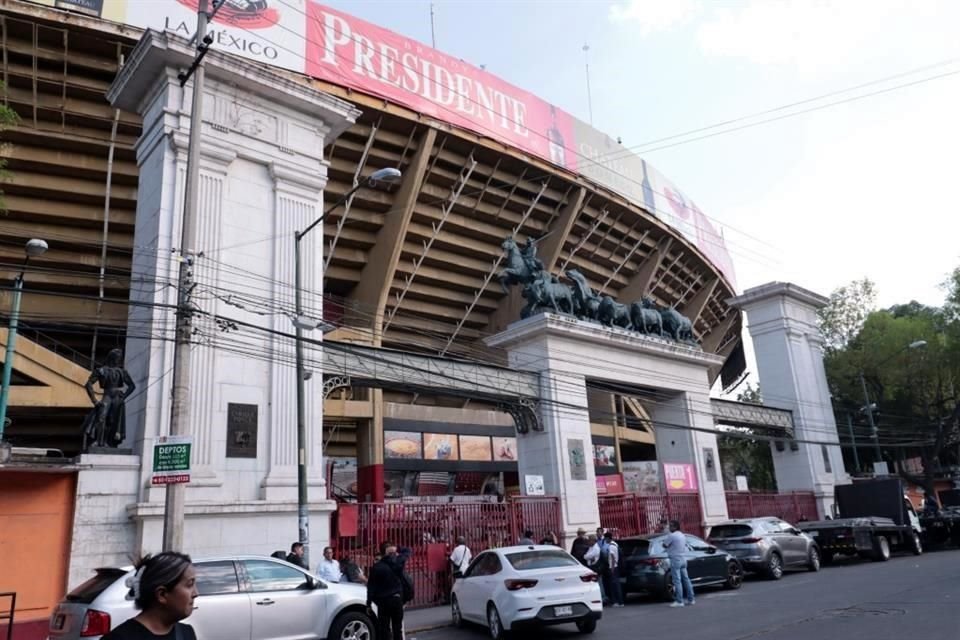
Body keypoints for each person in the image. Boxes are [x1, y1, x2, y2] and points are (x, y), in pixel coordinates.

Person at [102, 552, 198, 640]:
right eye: (189, 584)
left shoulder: (186, 633)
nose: (196, 593)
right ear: (162, 594)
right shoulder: (118, 638)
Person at [367, 541, 412, 640]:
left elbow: (371, 587)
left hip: (383, 601)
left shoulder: (377, 567)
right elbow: (408, 551)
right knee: (397, 627)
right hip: (397, 598)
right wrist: (397, 547)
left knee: (384, 628)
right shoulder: (398, 563)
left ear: (382, 553)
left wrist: (369, 603)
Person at [663, 520, 695, 608]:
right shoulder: (682, 535)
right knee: (686, 579)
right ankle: (691, 599)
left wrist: (667, 534)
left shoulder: (672, 536)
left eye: (671, 526)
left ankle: (679, 601)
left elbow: (664, 545)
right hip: (683, 558)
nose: (669, 527)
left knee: (677, 581)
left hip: (675, 559)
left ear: (675, 527)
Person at [600, 531, 624, 607]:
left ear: (607, 538)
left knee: (615, 585)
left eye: (605, 538)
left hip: (613, 567)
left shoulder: (611, 546)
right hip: (615, 566)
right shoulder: (615, 544)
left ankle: (618, 602)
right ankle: (619, 601)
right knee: (616, 585)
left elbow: (613, 558)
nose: (605, 540)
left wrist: (612, 568)